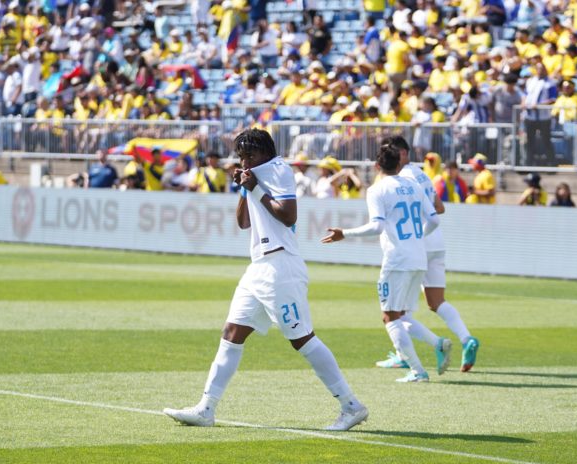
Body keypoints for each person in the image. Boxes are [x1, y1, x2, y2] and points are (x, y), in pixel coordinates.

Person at [164, 129, 368, 431]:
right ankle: (206, 408)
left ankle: (351, 406)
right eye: (241, 156)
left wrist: (256, 188)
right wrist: (245, 190)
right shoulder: (255, 175)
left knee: (302, 339)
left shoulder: (278, 170)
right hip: (259, 267)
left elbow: (288, 216)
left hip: (280, 266)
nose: (244, 161)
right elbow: (243, 222)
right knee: (232, 332)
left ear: (264, 152)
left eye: (249, 155)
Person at [321, 144, 444, 383]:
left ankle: (418, 370)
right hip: (419, 258)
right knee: (402, 315)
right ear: (399, 163)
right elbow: (435, 220)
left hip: (397, 259)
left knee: (390, 317)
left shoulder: (377, 190)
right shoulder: (414, 185)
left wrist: (344, 233)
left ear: (377, 166)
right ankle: (437, 344)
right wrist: (418, 238)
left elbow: (377, 226)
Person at [377, 136, 479, 373]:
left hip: (415, 244)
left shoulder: (401, 179)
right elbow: (439, 208)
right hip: (436, 243)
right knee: (436, 302)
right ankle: (466, 338)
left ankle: (408, 356)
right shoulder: (421, 174)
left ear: (401, 153)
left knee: (398, 313)